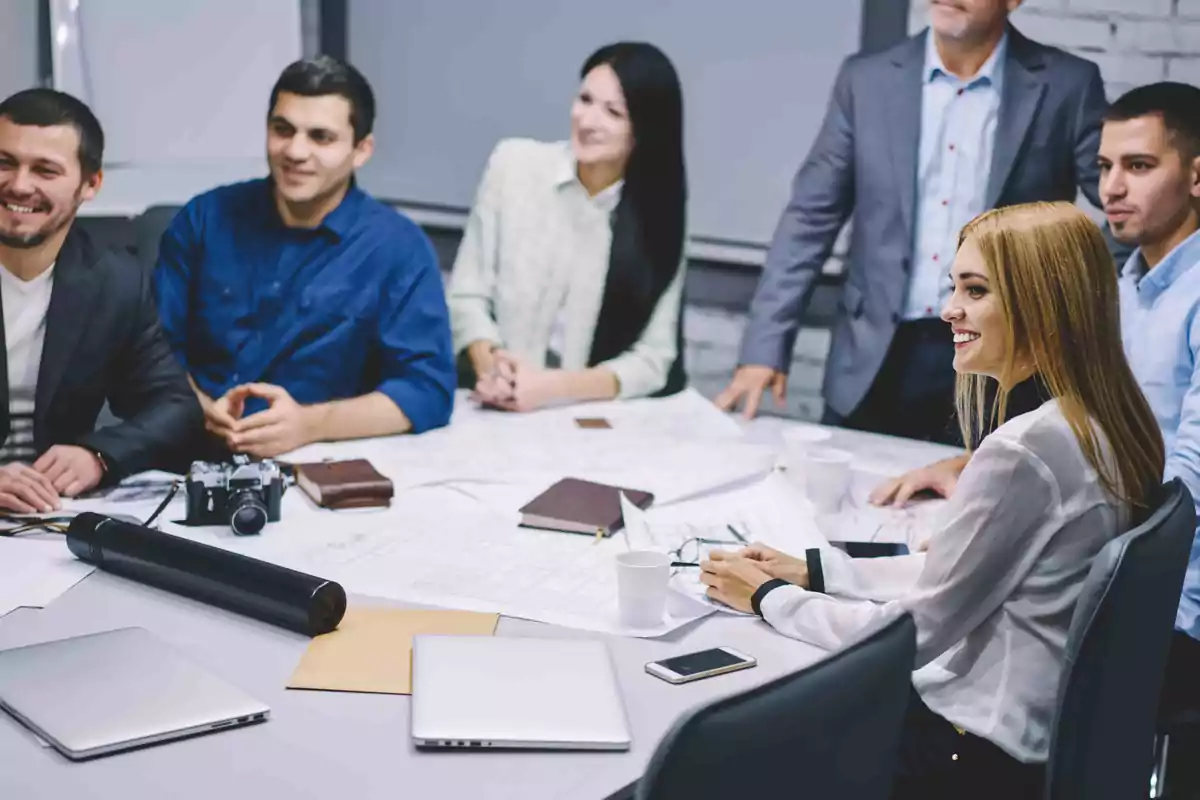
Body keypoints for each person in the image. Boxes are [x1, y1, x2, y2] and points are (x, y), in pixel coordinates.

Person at [700, 202, 1165, 797]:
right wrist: (816, 571)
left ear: (1041, 304)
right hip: (1033, 737)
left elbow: (912, 635)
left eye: (975, 291)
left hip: (969, 755)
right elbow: (964, 571)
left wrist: (769, 597)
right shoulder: (1107, 421)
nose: (949, 310)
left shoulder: (1026, 451)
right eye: (954, 288)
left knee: (745, 752)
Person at [872, 83, 1200, 723]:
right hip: (1097, 581)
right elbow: (1100, 428)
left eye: (1138, 167)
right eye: (1104, 167)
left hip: (1163, 611)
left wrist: (1012, 524)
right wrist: (974, 477)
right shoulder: (1129, 283)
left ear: (1196, 177)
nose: (1111, 188)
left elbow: (1184, 486)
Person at [715, 0, 1113, 446]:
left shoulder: (1067, 85)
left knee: (978, 507)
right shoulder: (866, 80)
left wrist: (1080, 284)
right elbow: (810, 218)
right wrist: (764, 347)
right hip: (876, 356)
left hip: (1001, 361)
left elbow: (1128, 210)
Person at [154, 56, 455, 458]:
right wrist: (199, 409)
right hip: (181, 456)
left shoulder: (398, 248)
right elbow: (150, 351)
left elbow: (427, 390)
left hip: (318, 464)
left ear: (361, 149)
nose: (295, 151)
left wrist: (312, 425)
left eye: (321, 137)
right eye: (283, 130)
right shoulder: (204, 219)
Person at [448, 42, 687, 412]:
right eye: (585, 99)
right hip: (489, 405)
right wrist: (491, 362)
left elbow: (654, 360)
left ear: (645, 130)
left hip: (583, 417)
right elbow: (466, 296)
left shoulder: (660, 216)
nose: (588, 121)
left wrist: (551, 388)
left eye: (613, 112)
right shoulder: (512, 165)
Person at [0, 89, 201, 512]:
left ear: (90, 184)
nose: (19, 184)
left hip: (46, 517)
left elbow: (175, 407)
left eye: (45, 170)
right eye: (4, 162)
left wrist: (99, 456)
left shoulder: (115, 283)